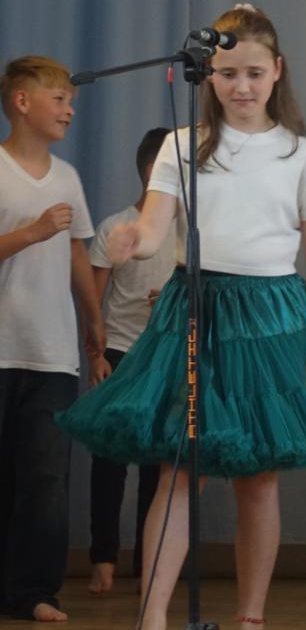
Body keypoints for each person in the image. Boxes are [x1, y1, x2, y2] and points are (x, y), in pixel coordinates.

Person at [56, 4, 306, 630]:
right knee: (178, 472)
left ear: (277, 71)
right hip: (195, 310)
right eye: (228, 73)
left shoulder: (303, 155)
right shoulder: (181, 146)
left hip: (270, 317)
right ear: (208, 75)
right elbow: (155, 227)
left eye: (254, 73)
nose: (241, 86)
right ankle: (154, 617)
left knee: (259, 477)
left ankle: (250, 617)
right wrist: (135, 239)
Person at [0, 55, 103, 622]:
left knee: (46, 481)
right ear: (22, 102)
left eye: (72, 102)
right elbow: (45, 235)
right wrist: (32, 231)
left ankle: (34, 591)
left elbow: (77, 249)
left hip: (52, 354)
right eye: (59, 99)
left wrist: (93, 322)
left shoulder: (67, 177)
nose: (69, 111)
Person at [83, 127, 174, 595]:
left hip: (167, 356)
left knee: (159, 465)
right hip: (120, 352)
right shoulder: (114, 227)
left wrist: (174, 301)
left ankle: (149, 565)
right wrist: (96, 356)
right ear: (152, 171)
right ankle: (103, 559)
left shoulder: (188, 233)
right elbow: (93, 301)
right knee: (110, 459)